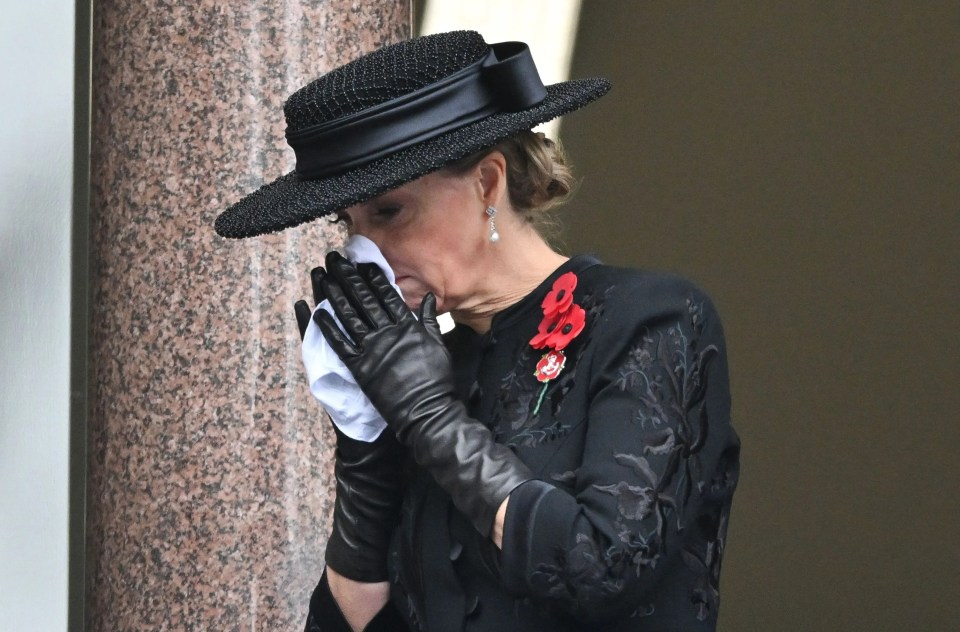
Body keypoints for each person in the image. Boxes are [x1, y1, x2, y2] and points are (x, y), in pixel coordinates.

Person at [216, 30, 740, 632]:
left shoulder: (650, 317)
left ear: (488, 184)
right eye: (348, 223)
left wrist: (431, 420)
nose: (365, 252)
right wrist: (365, 455)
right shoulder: (425, 368)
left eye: (389, 211)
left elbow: (601, 568)